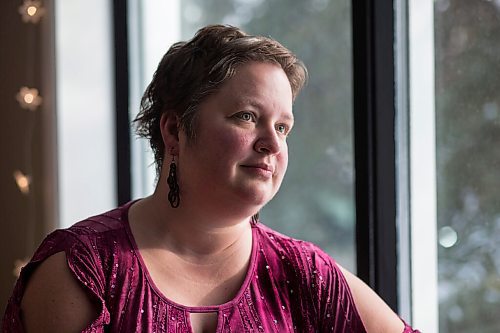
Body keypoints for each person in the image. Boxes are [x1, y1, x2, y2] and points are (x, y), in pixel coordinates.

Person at [2, 25, 419, 333]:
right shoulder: (83, 270)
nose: (271, 144)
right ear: (174, 131)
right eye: (247, 117)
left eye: (283, 127)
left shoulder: (306, 274)